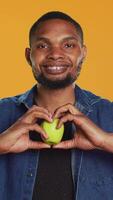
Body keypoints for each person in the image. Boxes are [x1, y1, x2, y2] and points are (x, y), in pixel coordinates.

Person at [0, 11, 113, 200]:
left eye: (68, 45)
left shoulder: (109, 114)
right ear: (29, 55)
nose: (55, 54)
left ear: (83, 53)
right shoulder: (2, 113)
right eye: (43, 45)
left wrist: (104, 141)